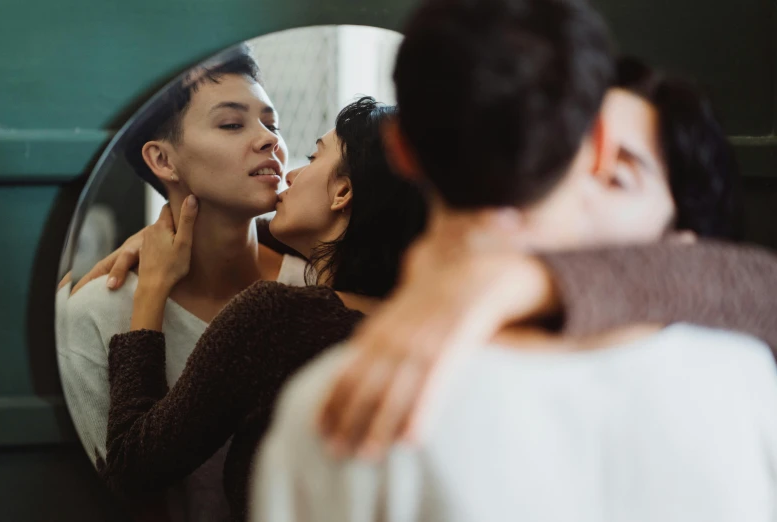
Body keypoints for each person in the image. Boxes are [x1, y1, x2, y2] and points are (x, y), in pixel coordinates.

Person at [254, 1, 777, 521]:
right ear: (593, 145)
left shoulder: (332, 410)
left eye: (622, 178)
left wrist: (530, 280)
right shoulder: (743, 383)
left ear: (401, 151)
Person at [98, 97, 427, 522]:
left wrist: (150, 294)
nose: (290, 170)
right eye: (232, 124)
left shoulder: (279, 318)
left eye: (313, 157)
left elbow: (132, 465)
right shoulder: (416, 323)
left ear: (343, 191)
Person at [58, 45, 305, 522]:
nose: (268, 140)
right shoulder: (95, 313)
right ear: (163, 160)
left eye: (271, 124)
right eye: (233, 124)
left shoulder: (318, 286)